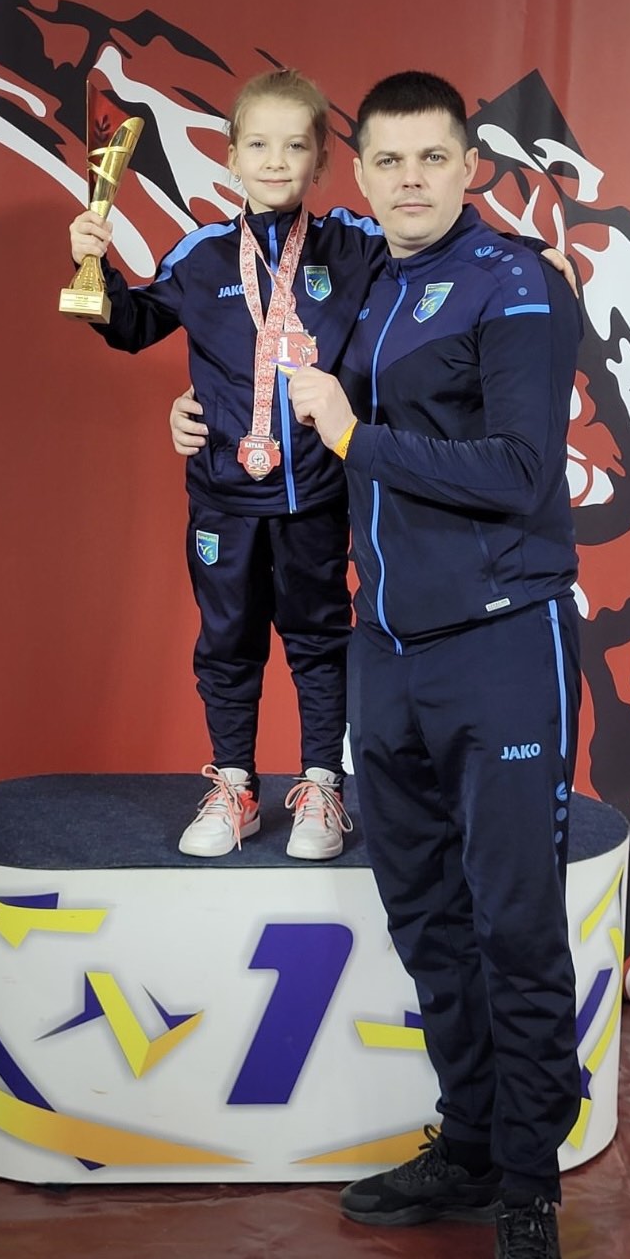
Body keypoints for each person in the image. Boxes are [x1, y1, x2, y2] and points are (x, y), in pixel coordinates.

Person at [283, 71, 583, 1259]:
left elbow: (520, 471)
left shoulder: (518, 282)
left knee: (515, 924)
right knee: (427, 916)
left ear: (470, 165)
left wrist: (355, 434)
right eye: (388, 161)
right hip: (388, 650)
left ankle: (529, 1188)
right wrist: (207, 420)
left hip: (503, 639)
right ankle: (469, 1143)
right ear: (360, 176)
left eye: (432, 158)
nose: (410, 180)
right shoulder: (368, 279)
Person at [68, 69, 385, 860]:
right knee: (226, 642)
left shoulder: (353, 245)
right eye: (258, 145)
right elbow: (135, 324)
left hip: (315, 493)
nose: (275, 161)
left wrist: (531, 258)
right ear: (231, 156)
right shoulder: (203, 254)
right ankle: (234, 786)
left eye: (294, 146)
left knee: (318, 640)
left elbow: (438, 248)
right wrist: (95, 271)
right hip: (222, 495)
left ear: (320, 160)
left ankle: (320, 787)